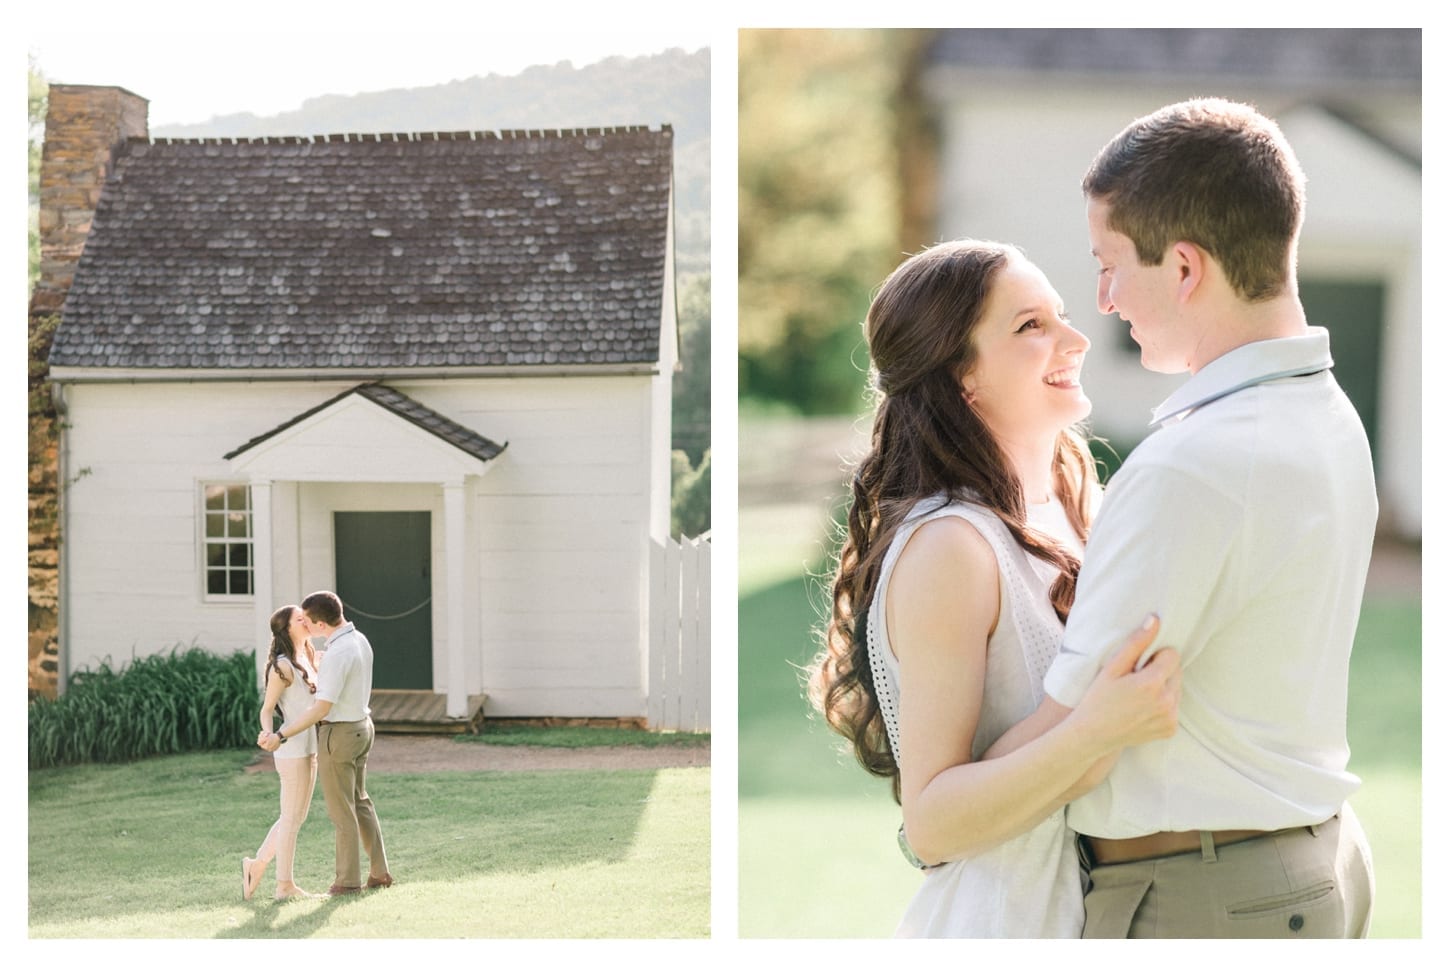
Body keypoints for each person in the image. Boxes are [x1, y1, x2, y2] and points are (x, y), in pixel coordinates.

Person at [986, 98, 1378, 938]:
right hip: (1299, 864)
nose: (1105, 298)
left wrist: (942, 805)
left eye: (1111, 263)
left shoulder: (1191, 464)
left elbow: (1078, 731)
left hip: (1206, 896)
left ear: (1187, 268)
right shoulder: (1329, 415)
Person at [810, 238, 1182, 938]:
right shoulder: (952, 545)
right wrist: (1094, 728)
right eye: (1030, 326)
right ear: (961, 378)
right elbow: (931, 821)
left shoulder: (1077, 504)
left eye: (1061, 316)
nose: (1074, 340)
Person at [259, 590, 394, 895]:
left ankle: (347, 882)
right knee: (361, 803)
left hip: (341, 735)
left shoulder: (337, 653)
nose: (305, 625)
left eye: (307, 620)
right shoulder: (359, 640)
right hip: (363, 726)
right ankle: (379, 872)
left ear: (320, 624)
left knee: (341, 811)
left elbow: (321, 708)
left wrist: (280, 734)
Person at [242, 604, 322, 900]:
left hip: (310, 747)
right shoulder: (283, 665)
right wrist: (267, 733)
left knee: (294, 818)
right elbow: (267, 709)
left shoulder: (308, 656)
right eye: (301, 619)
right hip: (291, 751)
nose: (308, 621)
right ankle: (284, 886)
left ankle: (256, 865)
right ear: (289, 628)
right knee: (291, 819)